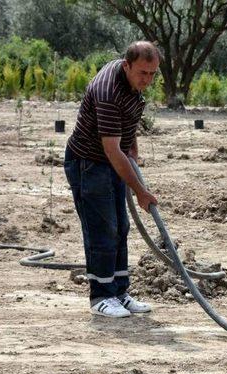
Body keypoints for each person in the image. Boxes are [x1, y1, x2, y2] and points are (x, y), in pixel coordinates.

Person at [64, 41, 160, 318]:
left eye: (154, 74)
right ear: (126, 64)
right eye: (143, 73)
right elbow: (111, 149)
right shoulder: (109, 92)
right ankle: (101, 296)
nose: (148, 80)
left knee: (121, 227)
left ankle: (119, 291)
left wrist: (135, 154)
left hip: (112, 160)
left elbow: (127, 127)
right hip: (89, 164)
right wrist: (140, 191)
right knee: (102, 229)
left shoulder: (131, 83)